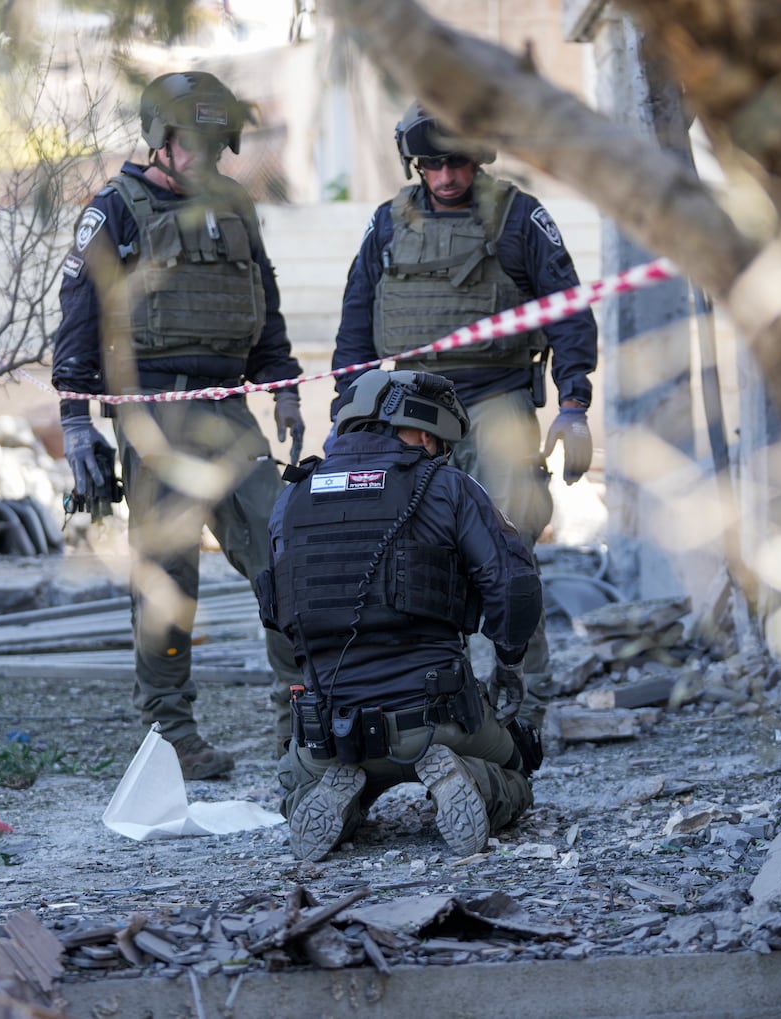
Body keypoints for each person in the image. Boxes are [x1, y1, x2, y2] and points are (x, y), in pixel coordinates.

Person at [53, 71, 304, 779]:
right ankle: (172, 735)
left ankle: (300, 718)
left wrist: (283, 387)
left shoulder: (234, 209)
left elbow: (266, 305)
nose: (201, 157)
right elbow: (77, 323)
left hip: (230, 412)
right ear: (159, 141)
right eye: (185, 142)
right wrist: (77, 428)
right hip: (154, 416)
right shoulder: (115, 211)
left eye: (211, 143)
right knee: (167, 580)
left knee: (283, 556)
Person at [331, 101, 597, 732]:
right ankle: (435, 694)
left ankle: (524, 694)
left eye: (456, 162)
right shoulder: (388, 223)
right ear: (414, 164)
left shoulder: (518, 216)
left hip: (495, 397)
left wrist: (574, 404)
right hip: (411, 410)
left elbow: (568, 310)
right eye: (431, 164)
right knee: (409, 555)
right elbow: (357, 323)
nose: (446, 177)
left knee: (510, 545)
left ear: (478, 159)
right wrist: (348, 417)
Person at [260, 369, 542, 861]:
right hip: (437, 721)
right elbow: (513, 586)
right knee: (517, 769)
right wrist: (510, 667)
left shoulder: (291, 498)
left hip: (330, 730)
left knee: (294, 781)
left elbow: (280, 618)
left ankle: (336, 799)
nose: (435, 452)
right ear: (418, 431)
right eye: (436, 442)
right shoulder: (449, 487)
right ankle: (469, 779)